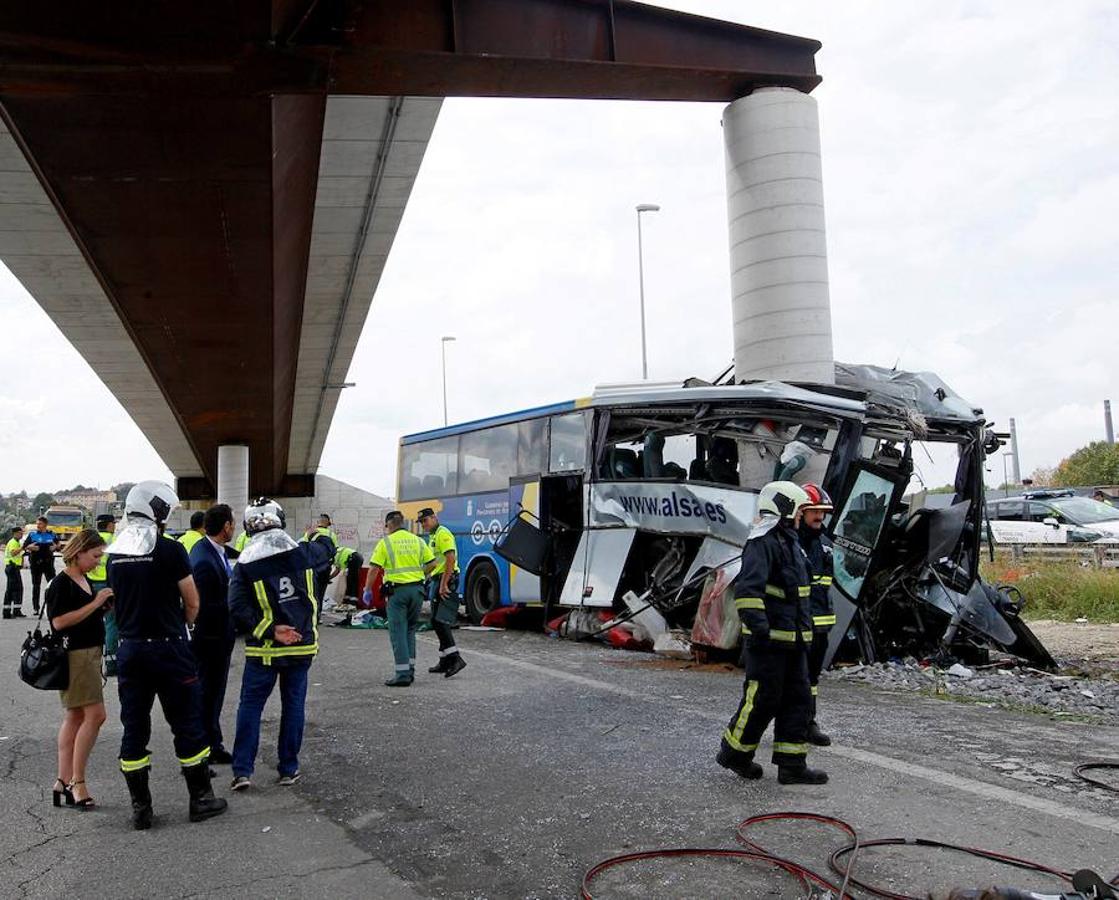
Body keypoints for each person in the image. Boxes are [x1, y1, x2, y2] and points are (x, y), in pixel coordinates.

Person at [107, 481, 226, 830]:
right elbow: (192, 601)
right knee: (187, 723)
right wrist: (183, 624)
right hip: (169, 647)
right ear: (155, 511)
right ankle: (201, 799)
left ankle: (141, 808)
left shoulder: (116, 554)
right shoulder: (171, 550)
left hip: (131, 649)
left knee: (134, 727)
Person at [716, 481, 826, 786]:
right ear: (785, 508)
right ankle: (734, 754)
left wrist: (806, 634)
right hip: (768, 643)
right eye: (800, 510)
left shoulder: (792, 542)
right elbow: (748, 592)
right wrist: (760, 631)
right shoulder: (761, 543)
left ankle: (792, 766)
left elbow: (799, 595)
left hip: (794, 642)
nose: (802, 515)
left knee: (798, 701)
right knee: (763, 700)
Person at [228, 497, 332, 790]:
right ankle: (288, 768)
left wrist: (271, 630)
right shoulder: (305, 553)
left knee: (250, 706)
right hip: (301, 646)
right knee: (293, 706)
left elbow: (236, 607)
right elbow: (328, 549)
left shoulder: (246, 564)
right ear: (281, 520)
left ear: (249, 527)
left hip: (264, 648)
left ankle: (242, 771)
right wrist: (315, 533)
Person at [45, 529, 112, 810]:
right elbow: (59, 622)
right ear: (79, 552)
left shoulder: (82, 579)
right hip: (76, 655)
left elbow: (84, 615)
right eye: (95, 556)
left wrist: (102, 608)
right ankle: (77, 781)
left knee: (75, 716)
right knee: (96, 716)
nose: (98, 561)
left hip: (87, 653)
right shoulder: (61, 583)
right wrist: (96, 603)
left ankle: (62, 780)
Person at [189, 504, 237, 766]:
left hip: (217, 637)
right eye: (233, 524)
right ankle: (203, 750)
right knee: (207, 694)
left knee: (213, 694)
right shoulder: (205, 560)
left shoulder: (212, 550)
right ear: (226, 526)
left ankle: (213, 743)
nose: (234, 528)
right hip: (210, 640)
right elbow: (204, 606)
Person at [368, 510, 435, 686]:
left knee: (398, 632)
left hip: (397, 593)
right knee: (410, 630)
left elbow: (374, 568)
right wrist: (420, 575)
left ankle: (402, 674)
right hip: (417, 591)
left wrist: (367, 589)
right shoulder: (418, 540)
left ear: (389, 524)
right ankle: (410, 670)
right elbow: (433, 563)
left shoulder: (386, 542)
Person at [798, 483, 835, 747]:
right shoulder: (790, 542)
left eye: (823, 511)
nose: (820, 516)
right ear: (800, 512)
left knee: (811, 679)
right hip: (797, 625)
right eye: (814, 511)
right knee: (792, 679)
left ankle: (807, 723)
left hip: (820, 627)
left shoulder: (825, 544)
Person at [418, 508, 466, 678]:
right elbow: (437, 562)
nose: (423, 525)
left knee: (440, 621)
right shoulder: (434, 536)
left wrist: (444, 583)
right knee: (436, 620)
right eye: (421, 522)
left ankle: (456, 659)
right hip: (438, 579)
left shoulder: (443, 533)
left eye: (425, 520)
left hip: (446, 580)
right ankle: (444, 660)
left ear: (434, 518)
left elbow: (450, 559)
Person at [89, 515, 119, 676]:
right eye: (113, 524)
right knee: (111, 624)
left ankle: (91, 662)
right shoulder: (114, 541)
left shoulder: (90, 540)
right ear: (109, 525)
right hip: (107, 586)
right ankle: (111, 663)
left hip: (89, 585)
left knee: (91, 623)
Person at [24, 516, 59, 615]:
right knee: (36, 585)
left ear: (45, 524)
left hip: (48, 563)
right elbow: (25, 546)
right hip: (36, 563)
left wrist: (55, 547)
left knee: (52, 585)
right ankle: (36, 608)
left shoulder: (51, 534)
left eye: (40, 524)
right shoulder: (32, 534)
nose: (38, 525)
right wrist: (30, 547)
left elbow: (58, 545)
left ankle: (53, 605)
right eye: (37, 524)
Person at [4, 525, 26, 618]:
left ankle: (17, 610)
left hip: (14, 568)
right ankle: (7, 612)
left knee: (18, 589)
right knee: (11, 590)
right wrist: (23, 547)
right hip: (12, 567)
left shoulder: (17, 542)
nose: (21, 535)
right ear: (15, 533)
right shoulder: (13, 542)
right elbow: (13, 553)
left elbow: (20, 555)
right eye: (20, 533)